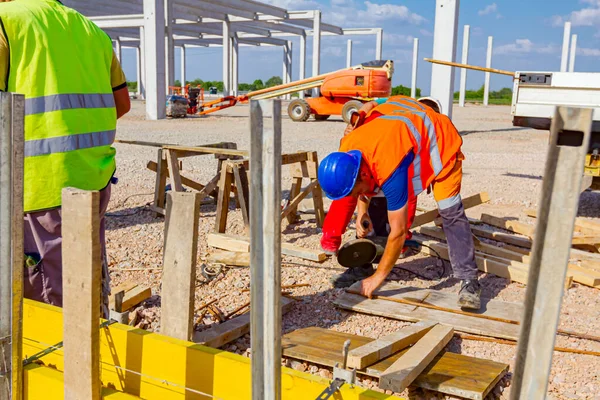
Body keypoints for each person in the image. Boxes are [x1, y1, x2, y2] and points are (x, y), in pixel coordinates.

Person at [0, 0, 131, 316]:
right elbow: (122, 103)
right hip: (92, 180)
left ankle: (63, 363)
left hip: (35, 188)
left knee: (46, 305)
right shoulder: (89, 29)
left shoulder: (6, 22)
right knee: (83, 280)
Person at [318, 95, 482, 309]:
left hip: (442, 148)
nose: (354, 195)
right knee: (377, 200)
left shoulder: (389, 165)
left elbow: (399, 230)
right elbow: (357, 186)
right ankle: (364, 264)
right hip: (403, 147)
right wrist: (362, 211)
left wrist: (378, 278)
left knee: (450, 212)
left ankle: (469, 281)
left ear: (364, 175)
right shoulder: (348, 146)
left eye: (356, 189)